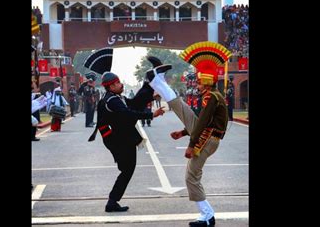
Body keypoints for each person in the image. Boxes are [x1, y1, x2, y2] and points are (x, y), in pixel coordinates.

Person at [147, 42, 231, 226]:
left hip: (207, 140)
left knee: (191, 177)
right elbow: (204, 121)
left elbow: (202, 122)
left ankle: (208, 216)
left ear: (208, 81)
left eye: (200, 81)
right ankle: (157, 80)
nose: (197, 84)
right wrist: (184, 132)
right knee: (182, 108)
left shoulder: (211, 97)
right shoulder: (214, 96)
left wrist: (192, 144)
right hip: (208, 135)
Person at [94, 71, 165, 212]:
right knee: (127, 170)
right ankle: (112, 201)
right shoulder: (112, 100)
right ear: (111, 86)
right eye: (118, 83)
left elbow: (133, 103)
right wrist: (151, 114)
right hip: (119, 140)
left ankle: (112, 201)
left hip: (122, 138)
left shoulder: (116, 97)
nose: (121, 85)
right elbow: (128, 114)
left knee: (126, 169)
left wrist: (150, 98)